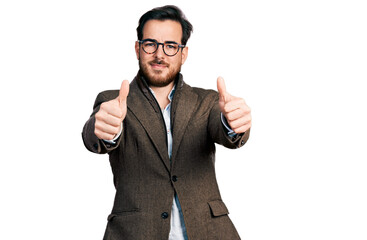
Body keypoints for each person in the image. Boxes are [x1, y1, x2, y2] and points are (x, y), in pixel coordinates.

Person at [82, 5, 251, 240]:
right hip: (135, 233)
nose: (159, 55)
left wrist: (232, 123)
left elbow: (223, 128)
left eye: (171, 46)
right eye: (151, 44)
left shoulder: (208, 101)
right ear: (137, 48)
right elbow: (95, 134)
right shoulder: (112, 102)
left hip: (209, 232)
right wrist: (104, 130)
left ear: (183, 53)